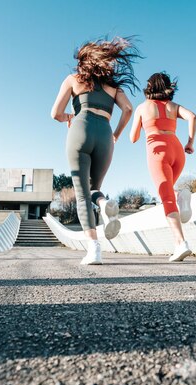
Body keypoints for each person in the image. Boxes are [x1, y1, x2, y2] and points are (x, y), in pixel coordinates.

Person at [51, 37, 140, 265]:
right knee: (95, 189)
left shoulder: (73, 79)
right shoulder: (113, 86)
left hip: (80, 129)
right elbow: (128, 109)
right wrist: (116, 134)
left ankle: (94, 249)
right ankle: (102, 204)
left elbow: (55, 113)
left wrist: (69, 117)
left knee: (82, 194)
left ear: (84, 62)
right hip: (105, 135)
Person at [130, 72, 196, 262]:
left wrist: (143, 125)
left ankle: (181, 243)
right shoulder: (173, 106)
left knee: (166, 198)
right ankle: (181, 196)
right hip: (177, 150)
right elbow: (192, 116)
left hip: (157, 152)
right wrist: (190, 142)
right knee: (167, 194)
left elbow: (133, 138)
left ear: (150, 86)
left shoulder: (143, 108)